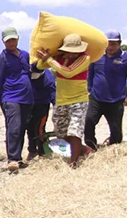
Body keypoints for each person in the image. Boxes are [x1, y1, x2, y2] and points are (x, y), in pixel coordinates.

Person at [36, 34, 92, 167]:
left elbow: (68, 72)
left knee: (75, 131)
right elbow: (39, 66)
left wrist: (49, 60)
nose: (72, 55)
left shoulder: (85, 58)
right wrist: (45, 57)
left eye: (75, 52)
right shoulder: (59, 59)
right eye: (69, 51)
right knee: (61, 132)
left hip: (79, 100)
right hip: (61, 101)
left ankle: (73, 163)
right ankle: (85, 150)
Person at [0, 26, 34, 172]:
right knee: (14, 127)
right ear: (3, 42)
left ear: (18, 38)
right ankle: (13, 159)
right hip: (10, 97)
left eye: (13, 39)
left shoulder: (25, 55)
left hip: (26, 98)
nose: (11, 42)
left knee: (21, 127)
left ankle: (18, 158)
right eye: (8, 40)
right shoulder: (1, 59)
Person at [85, 31, 127, 150]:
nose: (110, 47)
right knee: (88, 121)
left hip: (116, 99)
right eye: (108, 44)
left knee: (116, 131)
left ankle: (111, 147)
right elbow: (91, 73)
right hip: (96, 97)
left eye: (113, 44)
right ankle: (91, 147)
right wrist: (89, 89)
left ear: (119, 44)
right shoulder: (97, 56)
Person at [26, 65, 56, 159]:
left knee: (40, 128)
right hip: (29, 103)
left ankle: (43, 153)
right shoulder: (26, 72)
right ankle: (32, 150)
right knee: (30, 128)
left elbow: (52, 92)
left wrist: (56, 106)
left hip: (43, 104)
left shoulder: (47, 76)